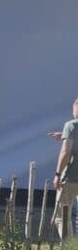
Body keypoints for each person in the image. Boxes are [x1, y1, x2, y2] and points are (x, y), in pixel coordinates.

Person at [50, 98, 78, 239]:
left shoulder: (71, 125)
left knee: (63, 215)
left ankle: (70, 248)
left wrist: (57, 174)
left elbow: (66, 152)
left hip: (71, 178)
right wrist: (64, 135)